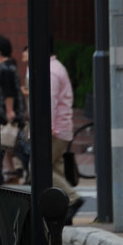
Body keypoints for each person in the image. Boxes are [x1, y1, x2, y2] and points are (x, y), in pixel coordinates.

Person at [50, 46, 82, 222]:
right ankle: (65, 210)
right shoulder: (57, 67)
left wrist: (46, 127)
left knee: (39, 168)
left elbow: (51, 100)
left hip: (55, 128)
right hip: (61, 127)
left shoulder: (51, 70)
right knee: (56, 168)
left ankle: (72, 199)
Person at [0, 36, 26, 182]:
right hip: (9, 111)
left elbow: (9, 92)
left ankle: (17, 171)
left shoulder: (5, 68)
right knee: (7, 142)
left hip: (10, 112)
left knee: (14, 143)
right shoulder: (8, 66)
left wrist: (9, 111)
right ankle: (11, 172)